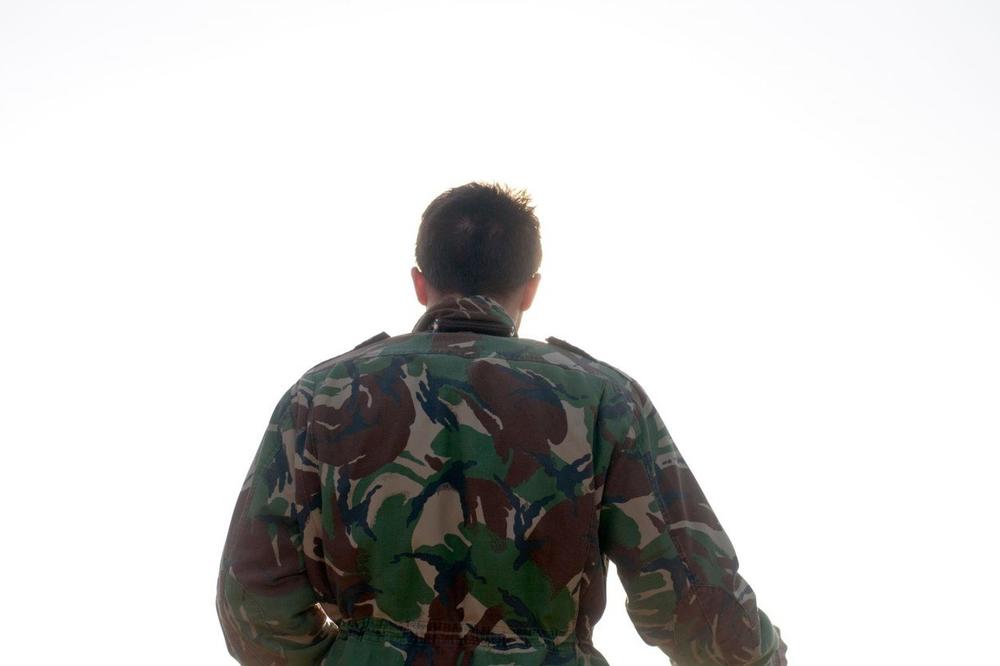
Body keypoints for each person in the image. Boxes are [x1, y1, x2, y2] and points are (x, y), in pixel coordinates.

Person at [216, 182, 788, 665]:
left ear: (420, 281)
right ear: (531, 288)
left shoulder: (322, 394)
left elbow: (252, 597)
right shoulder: (601, 397)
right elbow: (693, 597)